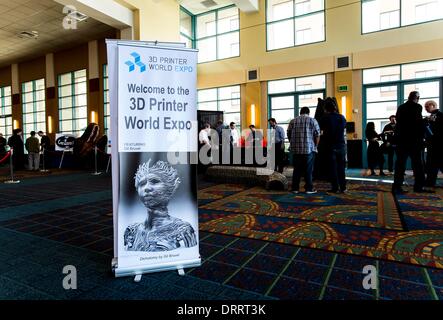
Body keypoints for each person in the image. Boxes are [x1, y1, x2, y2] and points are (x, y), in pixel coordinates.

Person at [123, 159, 197, 251]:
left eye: (154, 181)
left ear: (170, 187)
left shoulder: (183, 230)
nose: (146, 188)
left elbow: (189, 255)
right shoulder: (131, 231)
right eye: (142, 184)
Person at [392, 91, 429, 194]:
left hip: (401, 141)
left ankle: (396, 187)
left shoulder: (401, 107)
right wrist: (426, 120)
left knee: (400, 165)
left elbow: (400, 122)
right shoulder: (417, 107)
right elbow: (416, 123)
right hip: (414, 141)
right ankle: (418, 187)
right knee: (418, 165)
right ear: (417, 98)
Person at [288, 107, 320, 194]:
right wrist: (315, 146)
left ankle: (295, 188)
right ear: (308, 112)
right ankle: (309, 189)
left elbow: (289, 133)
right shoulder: (313, 121)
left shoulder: (293, 121)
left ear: (300, 112)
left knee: (296, 170)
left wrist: (292, 143)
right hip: (309, 149)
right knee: (308, 170)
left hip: (296, 150)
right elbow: (317, 135)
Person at [320, 97, 347, 193]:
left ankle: (335, 188)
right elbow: (344, 127)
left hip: (330, 146)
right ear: (335, 108)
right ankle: (343, 187)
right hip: (341, 145)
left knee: (332, 168)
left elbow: (321, 131)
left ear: (326, 109)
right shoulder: (342, 117)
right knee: (341, 167)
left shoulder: (324, 118)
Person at [424, 100, 443, 187]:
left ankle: (430, 182)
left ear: (433, 105)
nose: (426, 108)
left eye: (427, 106)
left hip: (438, 144)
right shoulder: (430, 116)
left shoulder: (440, 115)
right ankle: (430, 182)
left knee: (437, 163)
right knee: (431, 164)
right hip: (431, 143)